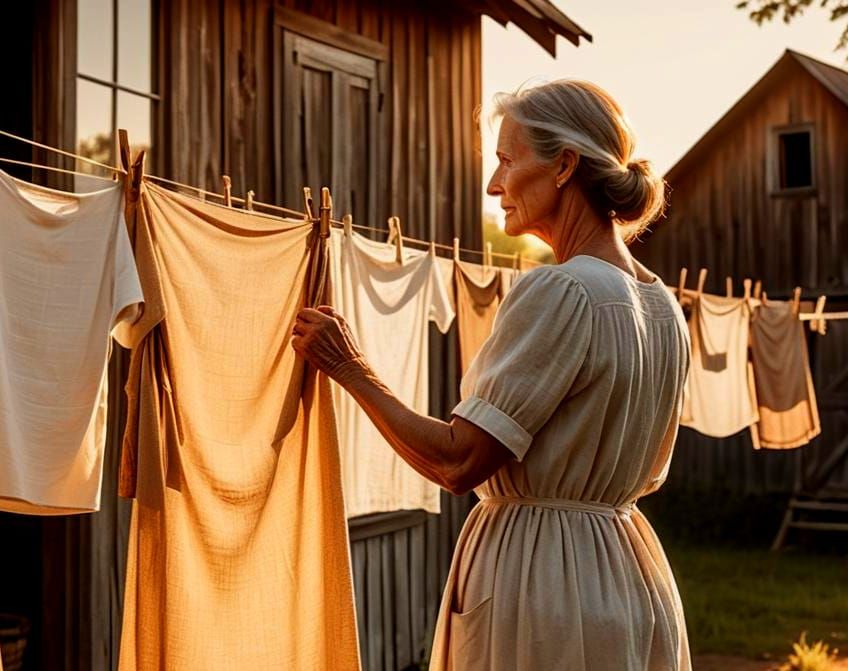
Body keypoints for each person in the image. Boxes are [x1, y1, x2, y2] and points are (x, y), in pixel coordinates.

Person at [292, 79, 691, 671]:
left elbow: (459, 460)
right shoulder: (663, 308)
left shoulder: (561, 290)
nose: (493, 184)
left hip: (544, 586)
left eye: (507, 160)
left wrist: (349, 367)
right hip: (628, 578)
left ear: (564, 166)